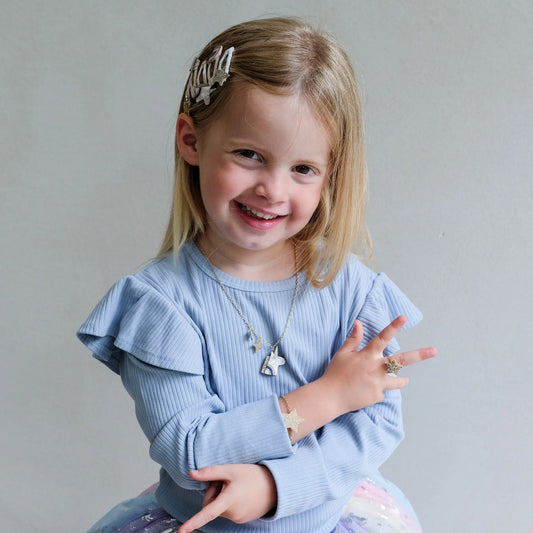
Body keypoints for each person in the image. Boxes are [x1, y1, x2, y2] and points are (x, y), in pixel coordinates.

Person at [77, 17, 436, 533]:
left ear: (330, 174)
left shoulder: (351, 290)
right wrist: (327, 397)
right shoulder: (160, 302)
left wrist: (275, 487)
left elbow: (376, 423)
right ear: (191, 140)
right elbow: (191, 448)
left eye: (303, 169)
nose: (273, 189)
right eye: (249, 155)